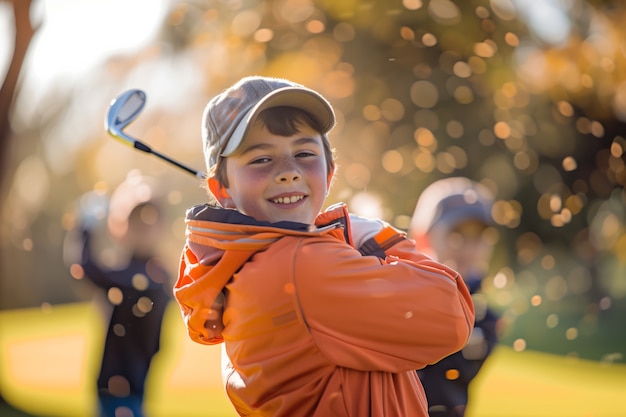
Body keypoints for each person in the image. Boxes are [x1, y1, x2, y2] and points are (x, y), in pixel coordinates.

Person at [172, 76, 475, 417]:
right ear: (222, 188)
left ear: (329, 172)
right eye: (260, 159)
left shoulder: (239, 264)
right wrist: (377, 238)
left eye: (304, 153)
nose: (288, 172)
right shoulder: (302, 266)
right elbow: (453, 314)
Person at [65, 173, 171, 417]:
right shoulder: (138, 271)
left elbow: (87, 269)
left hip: (126, 389)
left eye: (149, 219)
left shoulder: (152, 276)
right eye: (135, 220)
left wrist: (84, 227)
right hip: (117, 388)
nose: (143, 227)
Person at [409, 177, 502, 417]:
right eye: (456, 234)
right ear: (423, 238)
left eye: (479, 236)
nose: (469, 248)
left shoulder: (486, 321)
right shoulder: (402, 301)